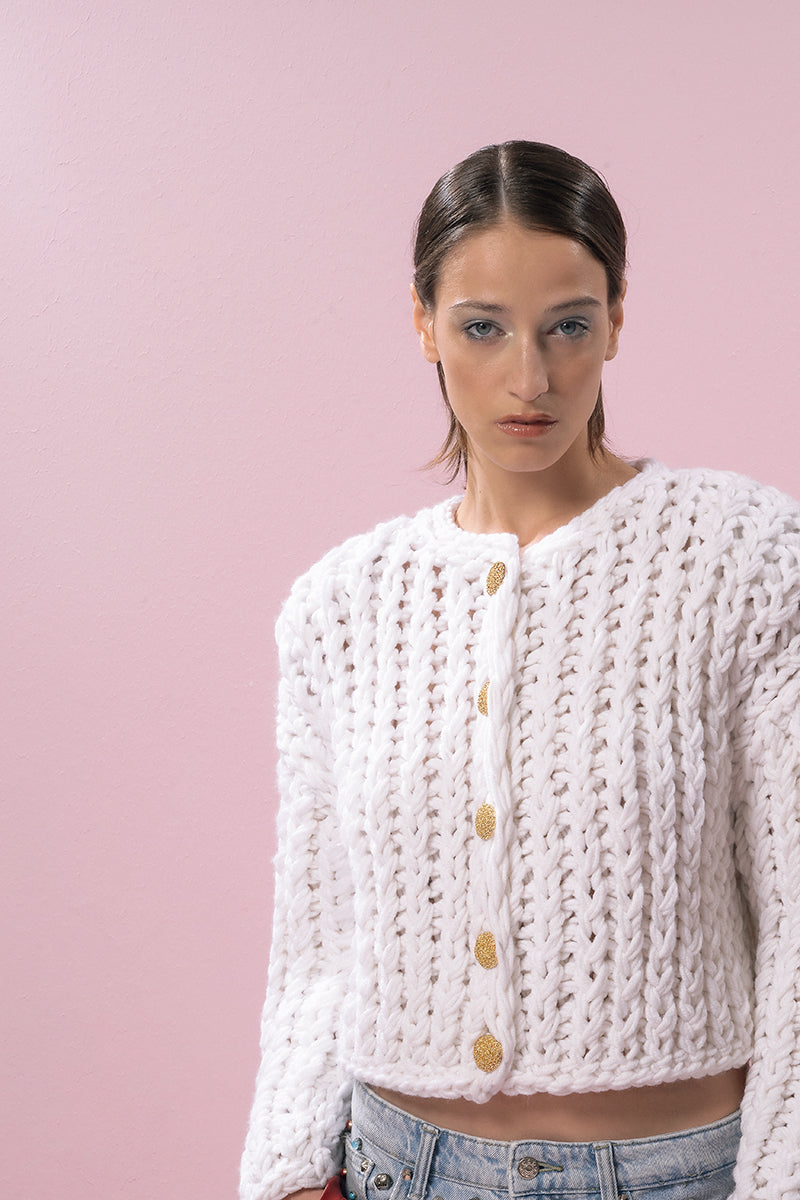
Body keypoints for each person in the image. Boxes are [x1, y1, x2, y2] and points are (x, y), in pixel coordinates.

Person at [240, 142, 800, 1200]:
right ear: (423, 324)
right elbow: (320, 941)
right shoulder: (340, 607)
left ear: (616, 320)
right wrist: (288, 1169)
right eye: (482, 327)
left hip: (672, 1173)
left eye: (568, 327)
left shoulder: (747, 561)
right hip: (395, 1166)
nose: (529, 378)